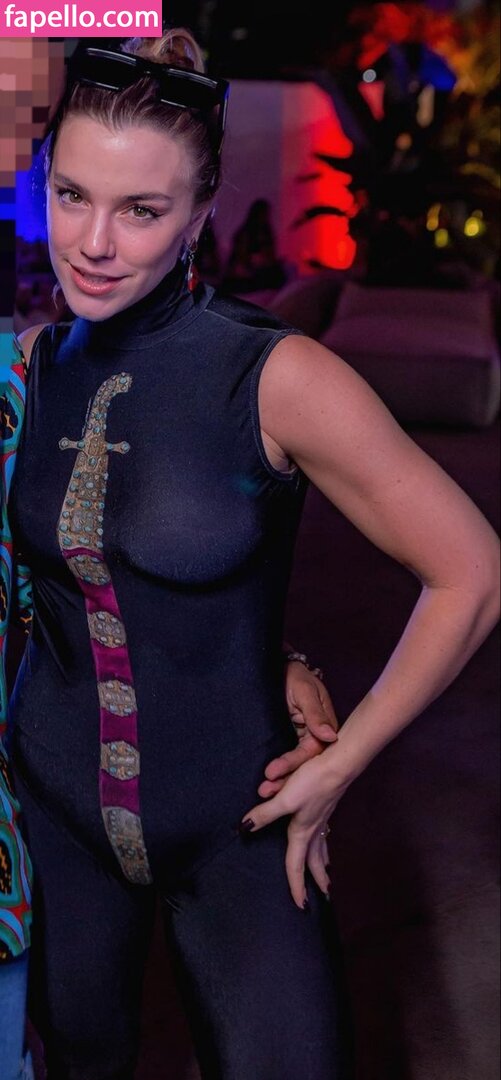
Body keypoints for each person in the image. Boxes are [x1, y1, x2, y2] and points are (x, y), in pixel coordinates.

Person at [4, 26, 500, 1080]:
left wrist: (345, 763)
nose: (94, 242)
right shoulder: (28, 368)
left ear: (200, 213)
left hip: (239, 822)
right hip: (55, 817)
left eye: (142, 209)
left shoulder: (275, 377)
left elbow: (470, 571)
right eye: (73, 196)